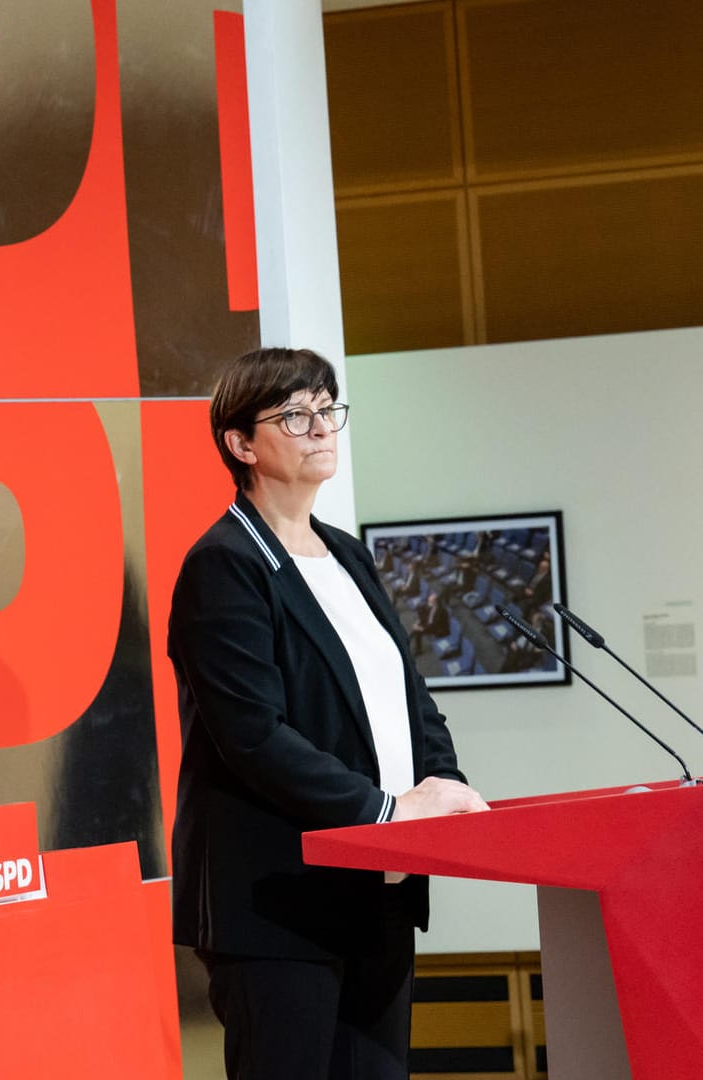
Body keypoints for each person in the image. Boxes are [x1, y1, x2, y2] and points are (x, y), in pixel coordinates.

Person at [167, 346, 488, 1080]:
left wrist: (443, 787)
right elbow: (252, 735)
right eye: (295, 415)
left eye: (327, 410)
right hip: (278, 904)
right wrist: (386, 810)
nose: (320, 428)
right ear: (241, 444)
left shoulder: (347, 556)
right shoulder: (224, 564)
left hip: (377, 890)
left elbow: (410, 698)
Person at [409, 588, 451, 656]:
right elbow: (427, 616)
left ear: (435, 602)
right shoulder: (433, 606)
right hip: (432, 624)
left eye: (430, 601)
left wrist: (421, 628)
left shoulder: (440, 611)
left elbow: (434, 625)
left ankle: (418, 650)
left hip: (441, 630)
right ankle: (409, 640)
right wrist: (419, 622)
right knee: (416, 628)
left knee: (417, 631)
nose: (428, 603)